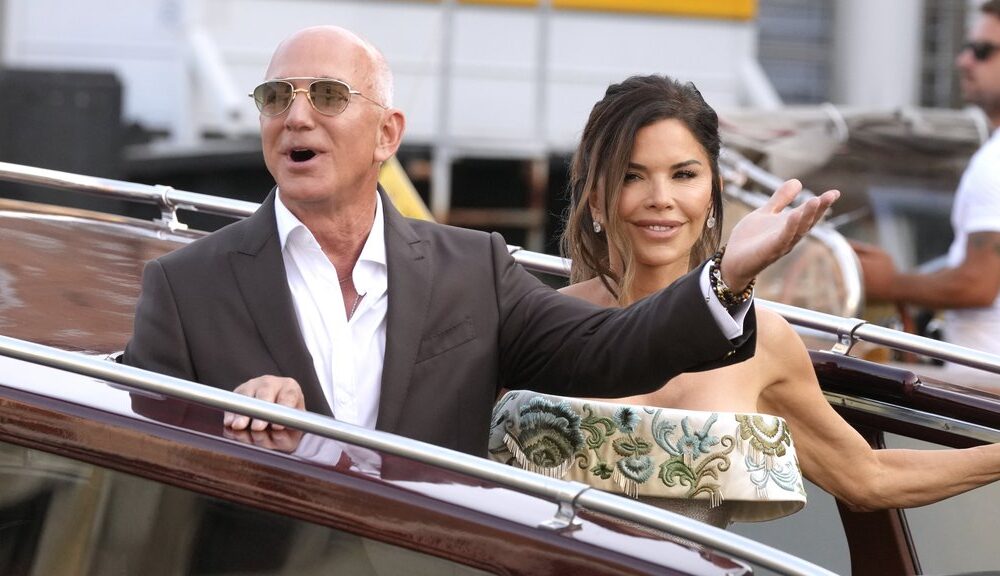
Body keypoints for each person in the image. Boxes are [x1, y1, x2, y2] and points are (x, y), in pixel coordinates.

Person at [122, 25, 838, 458]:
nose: (297, 116)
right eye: (276, 97)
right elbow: (134, 470)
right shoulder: (184, 288)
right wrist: (222, 422)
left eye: (328, 96)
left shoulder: (474, 270)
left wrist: (728, 275)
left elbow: (612, 347)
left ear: (388, 134)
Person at [490, 74, 1000, 527]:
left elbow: (867, 476)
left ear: (713, 195)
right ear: (595, 199)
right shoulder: (537, 319)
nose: (660, 198)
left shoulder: (765, 339)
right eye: (631, 175)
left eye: (684, 175)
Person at [852, 0, 1000, 386]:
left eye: (982, 51)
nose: (963, 61)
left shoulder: (995, 163)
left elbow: (977, 284)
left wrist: (889, 283)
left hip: (982, 388)